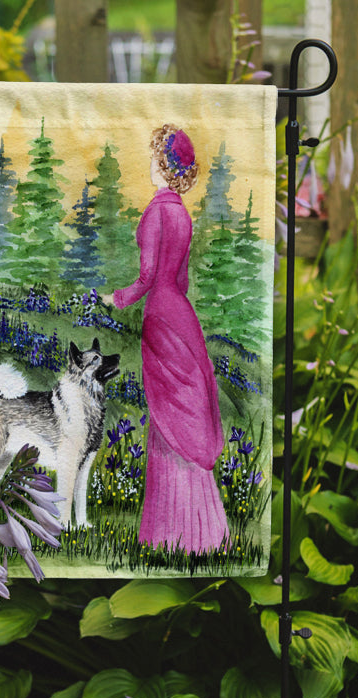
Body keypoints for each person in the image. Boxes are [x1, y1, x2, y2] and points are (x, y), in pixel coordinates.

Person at [101, 125, 229, 554]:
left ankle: (169, 532)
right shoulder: (183, 214)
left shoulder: (158, 211)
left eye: (155, 158)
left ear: (165, 165)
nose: (150, 165)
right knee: (185, 407)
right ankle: (202, 530)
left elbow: (150, 277)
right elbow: (182, 279)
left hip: (160, 315)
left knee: (167, 414)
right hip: (183, 316)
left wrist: (116, 298)